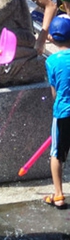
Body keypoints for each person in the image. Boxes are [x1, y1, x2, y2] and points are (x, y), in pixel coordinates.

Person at [44, 15, 70, 208]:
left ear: (51, 38)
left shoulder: (51, 61)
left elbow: (54, 90)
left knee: (57, 154)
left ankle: (59, 195)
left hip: (62, 113)